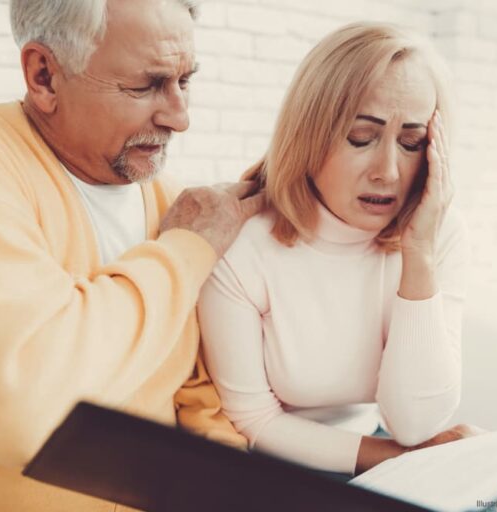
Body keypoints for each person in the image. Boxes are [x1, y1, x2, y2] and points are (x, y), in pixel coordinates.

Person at [0, 0, 264, 510]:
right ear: (44, 75)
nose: (180, 117)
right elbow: (26, 411)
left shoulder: (172, 205)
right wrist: (185, 251)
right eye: (145, 86)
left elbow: (199, 400)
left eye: (184, 81)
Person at [198, 22, 474, 478]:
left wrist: (419, 253)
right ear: (309, 133)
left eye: (412, 142)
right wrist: (400, 459)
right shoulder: (243, 243)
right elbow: (254, 421)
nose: (388, 172)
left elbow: (416, 424)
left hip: (380, 448)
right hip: (275, 465)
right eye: (361, 137)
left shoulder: (438, 233)